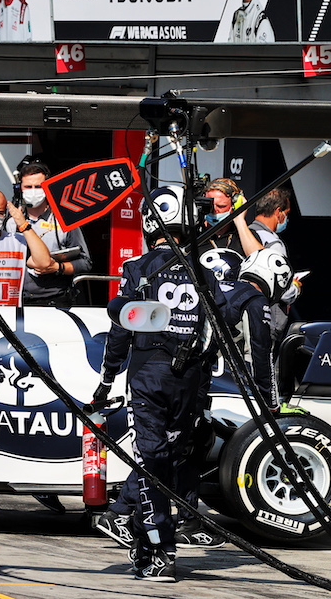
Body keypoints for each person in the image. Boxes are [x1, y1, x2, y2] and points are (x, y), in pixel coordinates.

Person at [91, 185, 247, 582]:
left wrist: (107, 379)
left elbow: (120, 329)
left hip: (148, 378)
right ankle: (145, 543)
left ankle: (159, 549)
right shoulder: (206, 273)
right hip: (190, 381)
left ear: (150, 223)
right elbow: (225, 323)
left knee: (151, 462)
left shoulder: (139, 269)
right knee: (166, 460)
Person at [14, 159, 91, 302]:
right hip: (20, 300)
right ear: (20, 189)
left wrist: (58, 267)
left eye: (38, 186)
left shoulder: (65, 220)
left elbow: (86, 263)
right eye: (28, 187)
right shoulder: (10, 222)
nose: (33, 191)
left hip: (57, 299)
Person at [235, 186, 298, 341]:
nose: (286, 218)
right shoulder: (273, 243)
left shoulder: (243, 235)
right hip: (265, 321)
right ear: (278, 212)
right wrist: (295, 288)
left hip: (240, 317)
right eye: (287, 213)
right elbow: (283, 290)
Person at [202, 178, 244, 252]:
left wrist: (240, 220)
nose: (214, 210)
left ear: (234, 205)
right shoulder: (193, 235)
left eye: (221, 206)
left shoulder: (244, 236)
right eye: (210, 205)